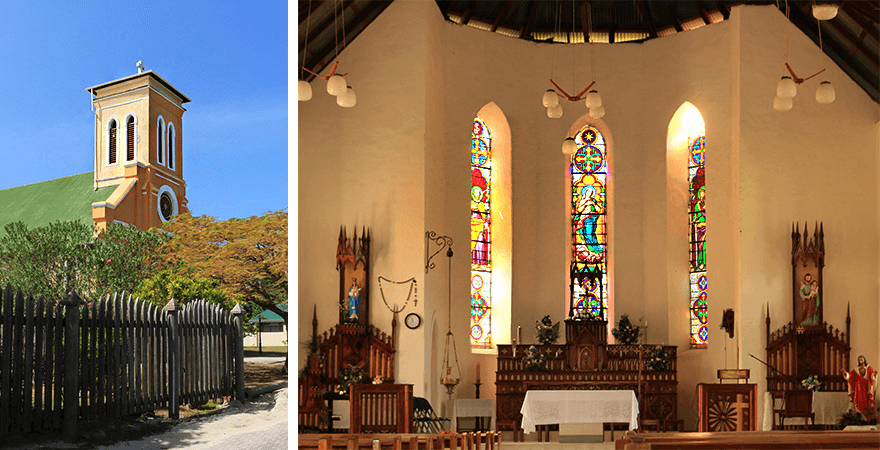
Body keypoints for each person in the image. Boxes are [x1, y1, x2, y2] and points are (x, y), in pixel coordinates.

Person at [840, 355, 877, 422]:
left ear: (864, 360)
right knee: (859, 404)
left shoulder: (869, 368)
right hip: (858, 390)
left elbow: (872, 378)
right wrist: (845, 373)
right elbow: (850, 376)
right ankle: (860, 419)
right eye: (859, 360)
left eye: (862, 359)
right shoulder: (855, 370)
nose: (860, 361)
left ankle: (868, 420)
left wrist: (874, 376)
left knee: (867, 405)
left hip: (866, 390)